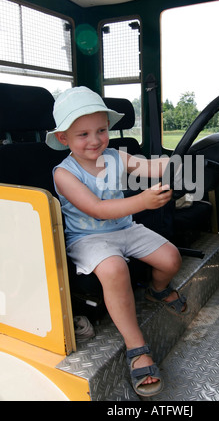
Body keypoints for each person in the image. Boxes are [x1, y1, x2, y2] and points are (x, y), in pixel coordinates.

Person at [46, 86, 187, 397]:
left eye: (101, 130)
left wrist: (182, 162)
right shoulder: (63, 174)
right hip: (88, 237)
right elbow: (97, 209)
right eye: (83, 134)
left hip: (124, 227)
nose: (95, 140)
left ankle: (157, 290)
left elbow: (151, 167)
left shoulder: (115, 156)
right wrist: (144, 201)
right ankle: (137, 348)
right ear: (63, 138)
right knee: (113, 270)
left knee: (170, 259)